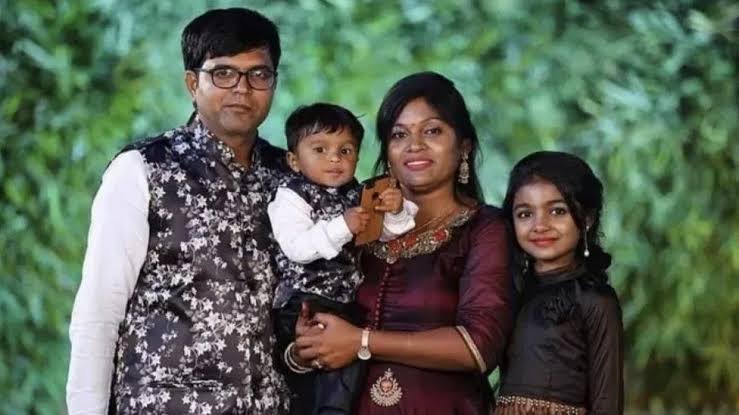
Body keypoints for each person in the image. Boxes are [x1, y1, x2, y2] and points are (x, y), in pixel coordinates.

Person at [66, 8, 291, 414]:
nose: (242, 88)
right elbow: (99, 311)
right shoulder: (143, 170)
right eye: (223, 73)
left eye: (258, 74)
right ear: (192, 83)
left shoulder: (289, 179)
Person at [290, 72, 514, 414]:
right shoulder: (353, 218)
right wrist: (303, 349)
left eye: (432, 131)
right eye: (399, 134)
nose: (414, 145)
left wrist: (361, 341)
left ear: (464, 147)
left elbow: (480, 346)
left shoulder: (485, 228)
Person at [269, 103, 417, 414]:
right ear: (294, 160)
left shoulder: (356, 194)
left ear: (357, 158)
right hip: (303, 301)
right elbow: (297, 247)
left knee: (348, 370)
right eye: (320, 149)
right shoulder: (291, 196)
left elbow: (382, 235)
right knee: (306, 378)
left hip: (344, 302)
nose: (335, 158)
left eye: (346, 150)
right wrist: (342, 227)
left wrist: (395, 211)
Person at [495, 151, 624, 415]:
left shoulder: (595, 300)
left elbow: (607, 401)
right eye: (524, 214)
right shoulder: (510, 291)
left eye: (557, 211)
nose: (540, 225)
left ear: (587, 219)